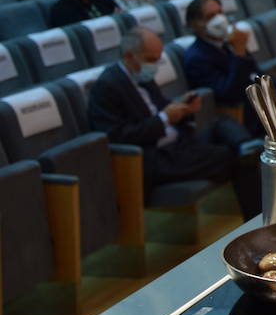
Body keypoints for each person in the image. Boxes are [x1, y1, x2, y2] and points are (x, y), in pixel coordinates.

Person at [87, 26, 261, 220]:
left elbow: (160, 108)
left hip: (179, 144)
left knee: (219, 121)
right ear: (129, 56)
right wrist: (165, 119)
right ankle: (256, 219)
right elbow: (117, 136)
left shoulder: (140, 75)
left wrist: (183, 109)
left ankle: (246, 144)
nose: (155, 65)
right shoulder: (107, 86)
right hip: (157, 158)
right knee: (235, 159)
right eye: (151, 60)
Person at [181, 0, 259, 112]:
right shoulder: (196, 59)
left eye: (220, 12)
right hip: (244, 113)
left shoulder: (228, 41)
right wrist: (239, 52)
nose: (219, 19)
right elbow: (230, 94)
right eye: (210, 16)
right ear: (195, 24)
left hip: (261, 99)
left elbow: (255, 72)